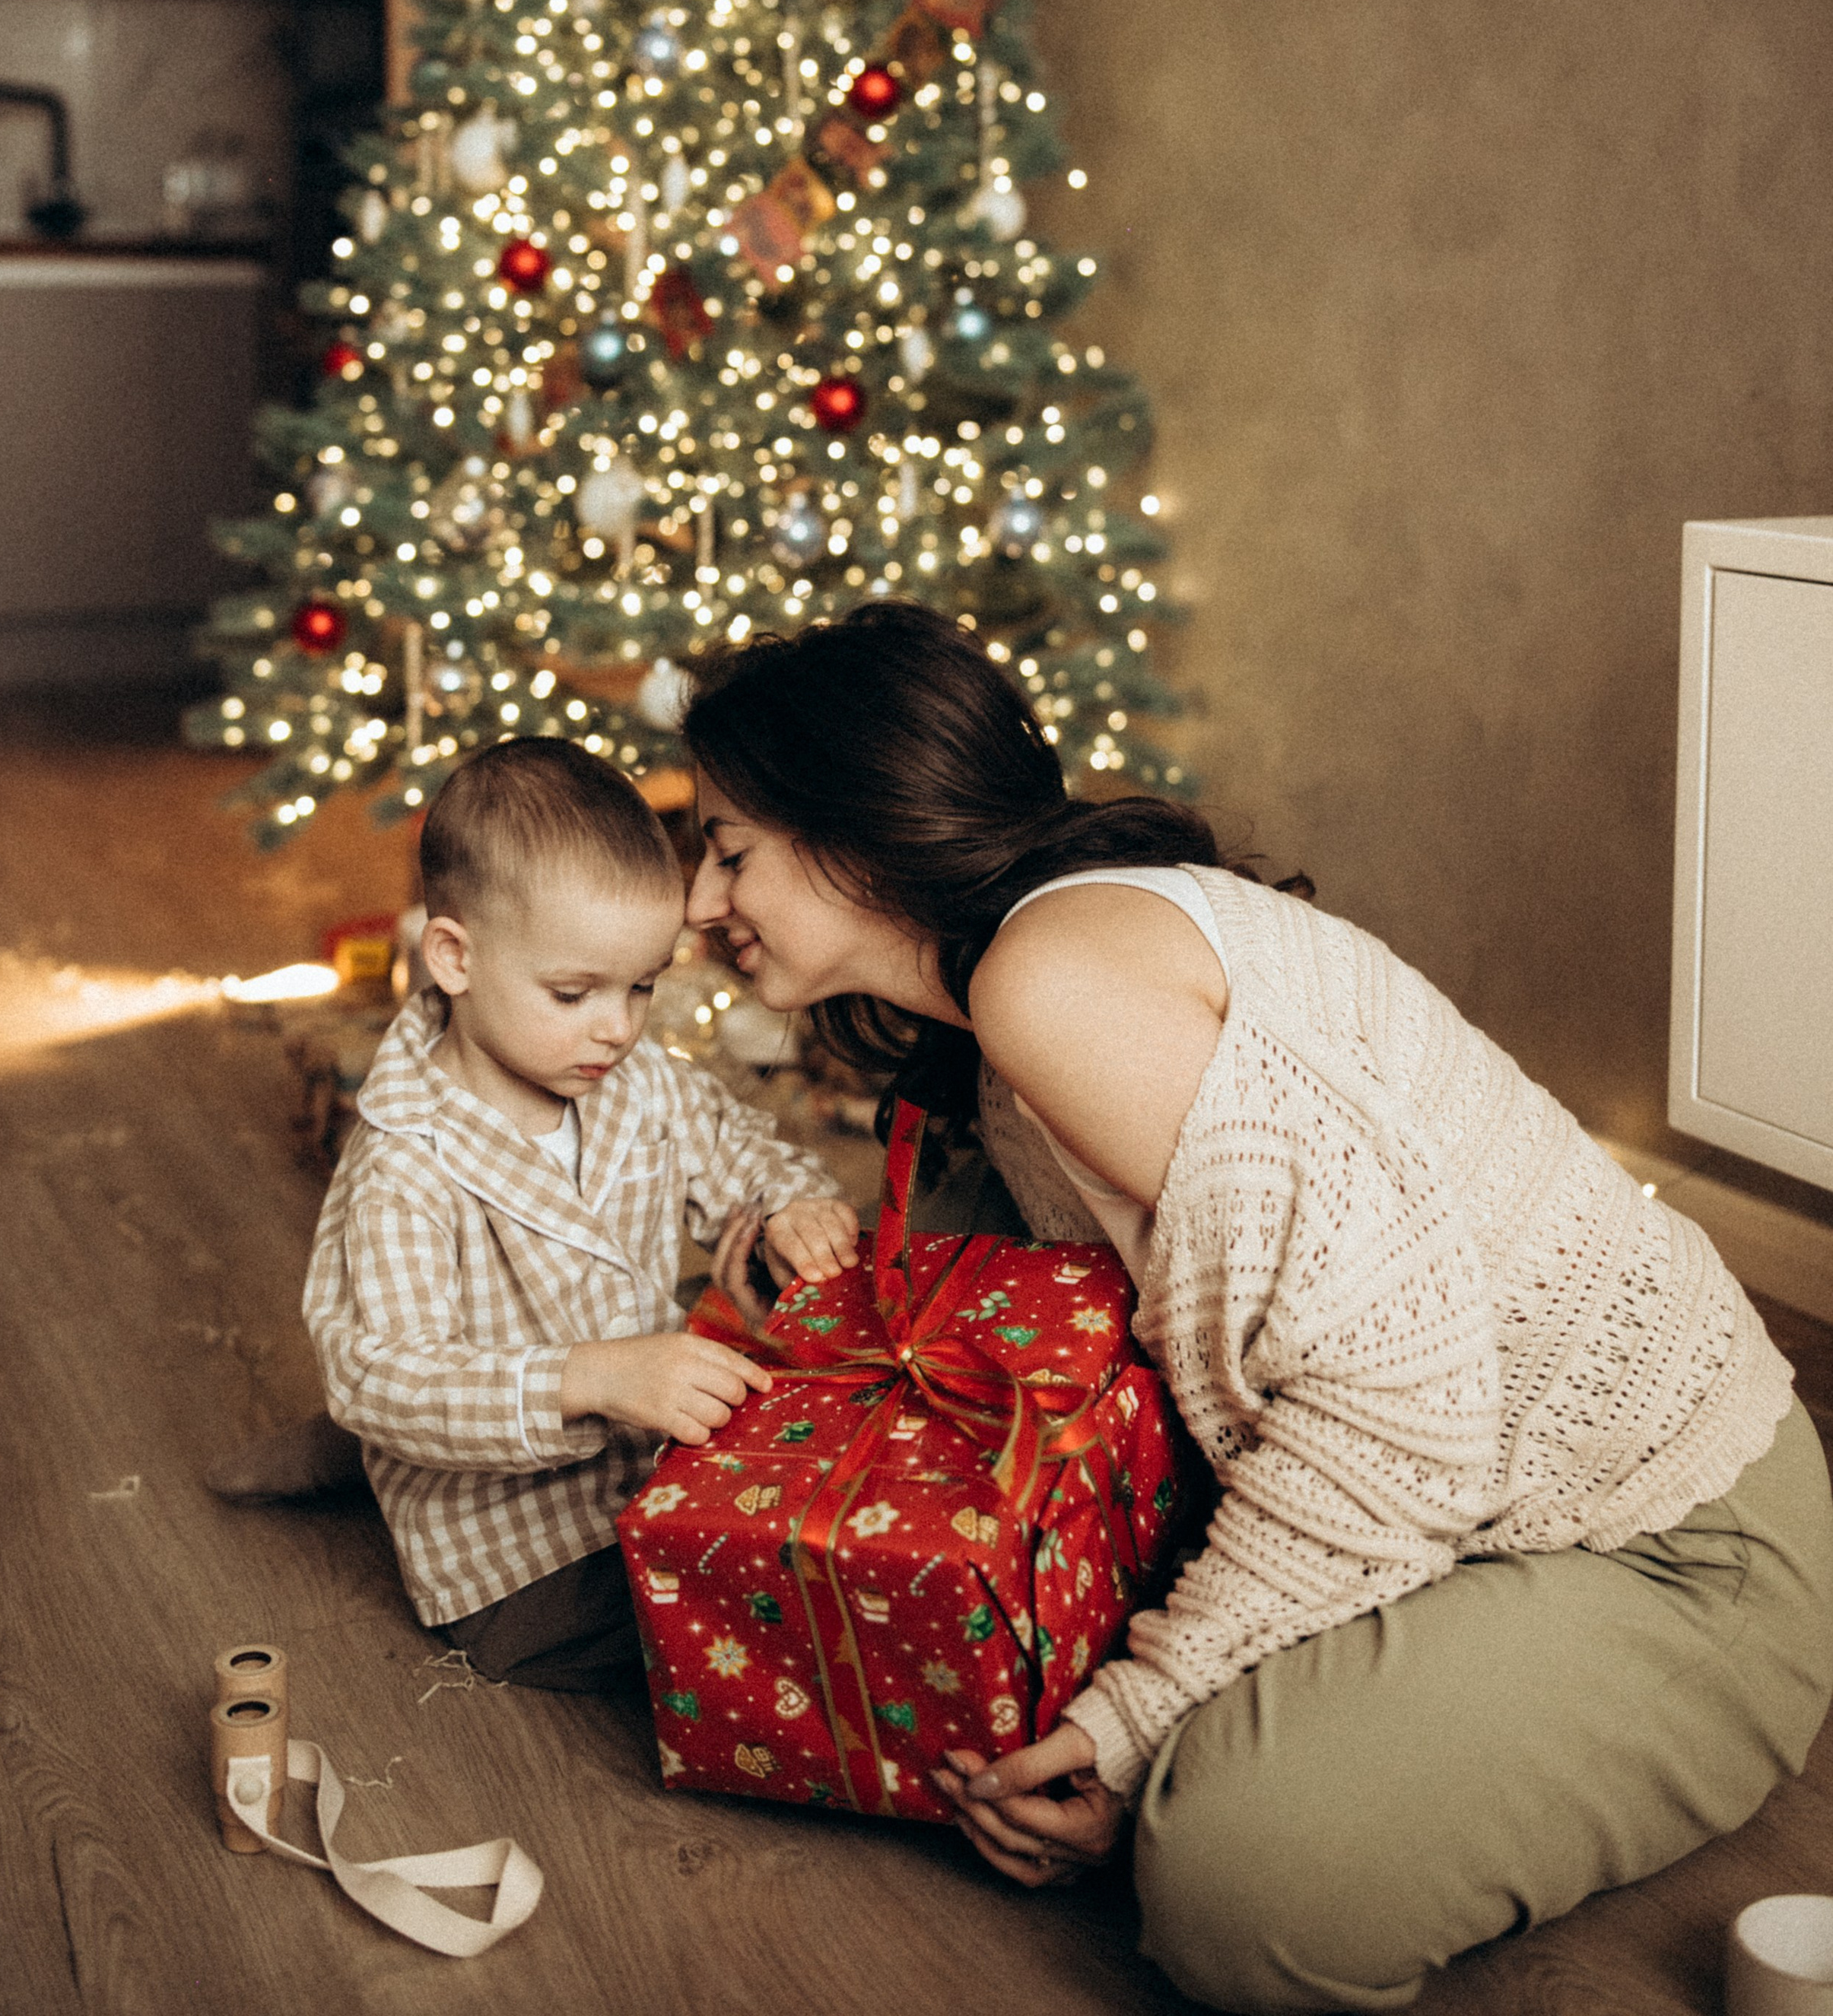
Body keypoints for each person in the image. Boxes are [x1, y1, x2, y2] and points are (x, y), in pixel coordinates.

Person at [683, 602, 1833, 2014]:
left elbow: (1403, 1409)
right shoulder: (1004, 1022)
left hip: (1664, 1537)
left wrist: (1142, 1717)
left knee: (1233, 1884)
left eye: (728, 848)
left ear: (857, 822)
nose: (696, 903)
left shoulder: (1056, 979)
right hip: (1452, 1502)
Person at [303, 735, 858, 1692]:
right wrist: (592, 1377)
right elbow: (383, 1379)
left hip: (655, 1460)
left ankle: (328, 1466)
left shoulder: (631, 1079)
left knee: (831, 1504)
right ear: (453, 957)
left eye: (642, 985)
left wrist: (787, 1204)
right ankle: (346, 1468)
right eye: (574, 992)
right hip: (517, 1553)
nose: (618, 1026)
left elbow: (734, 1147)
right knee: (756, 1634)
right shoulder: (405, 1169)